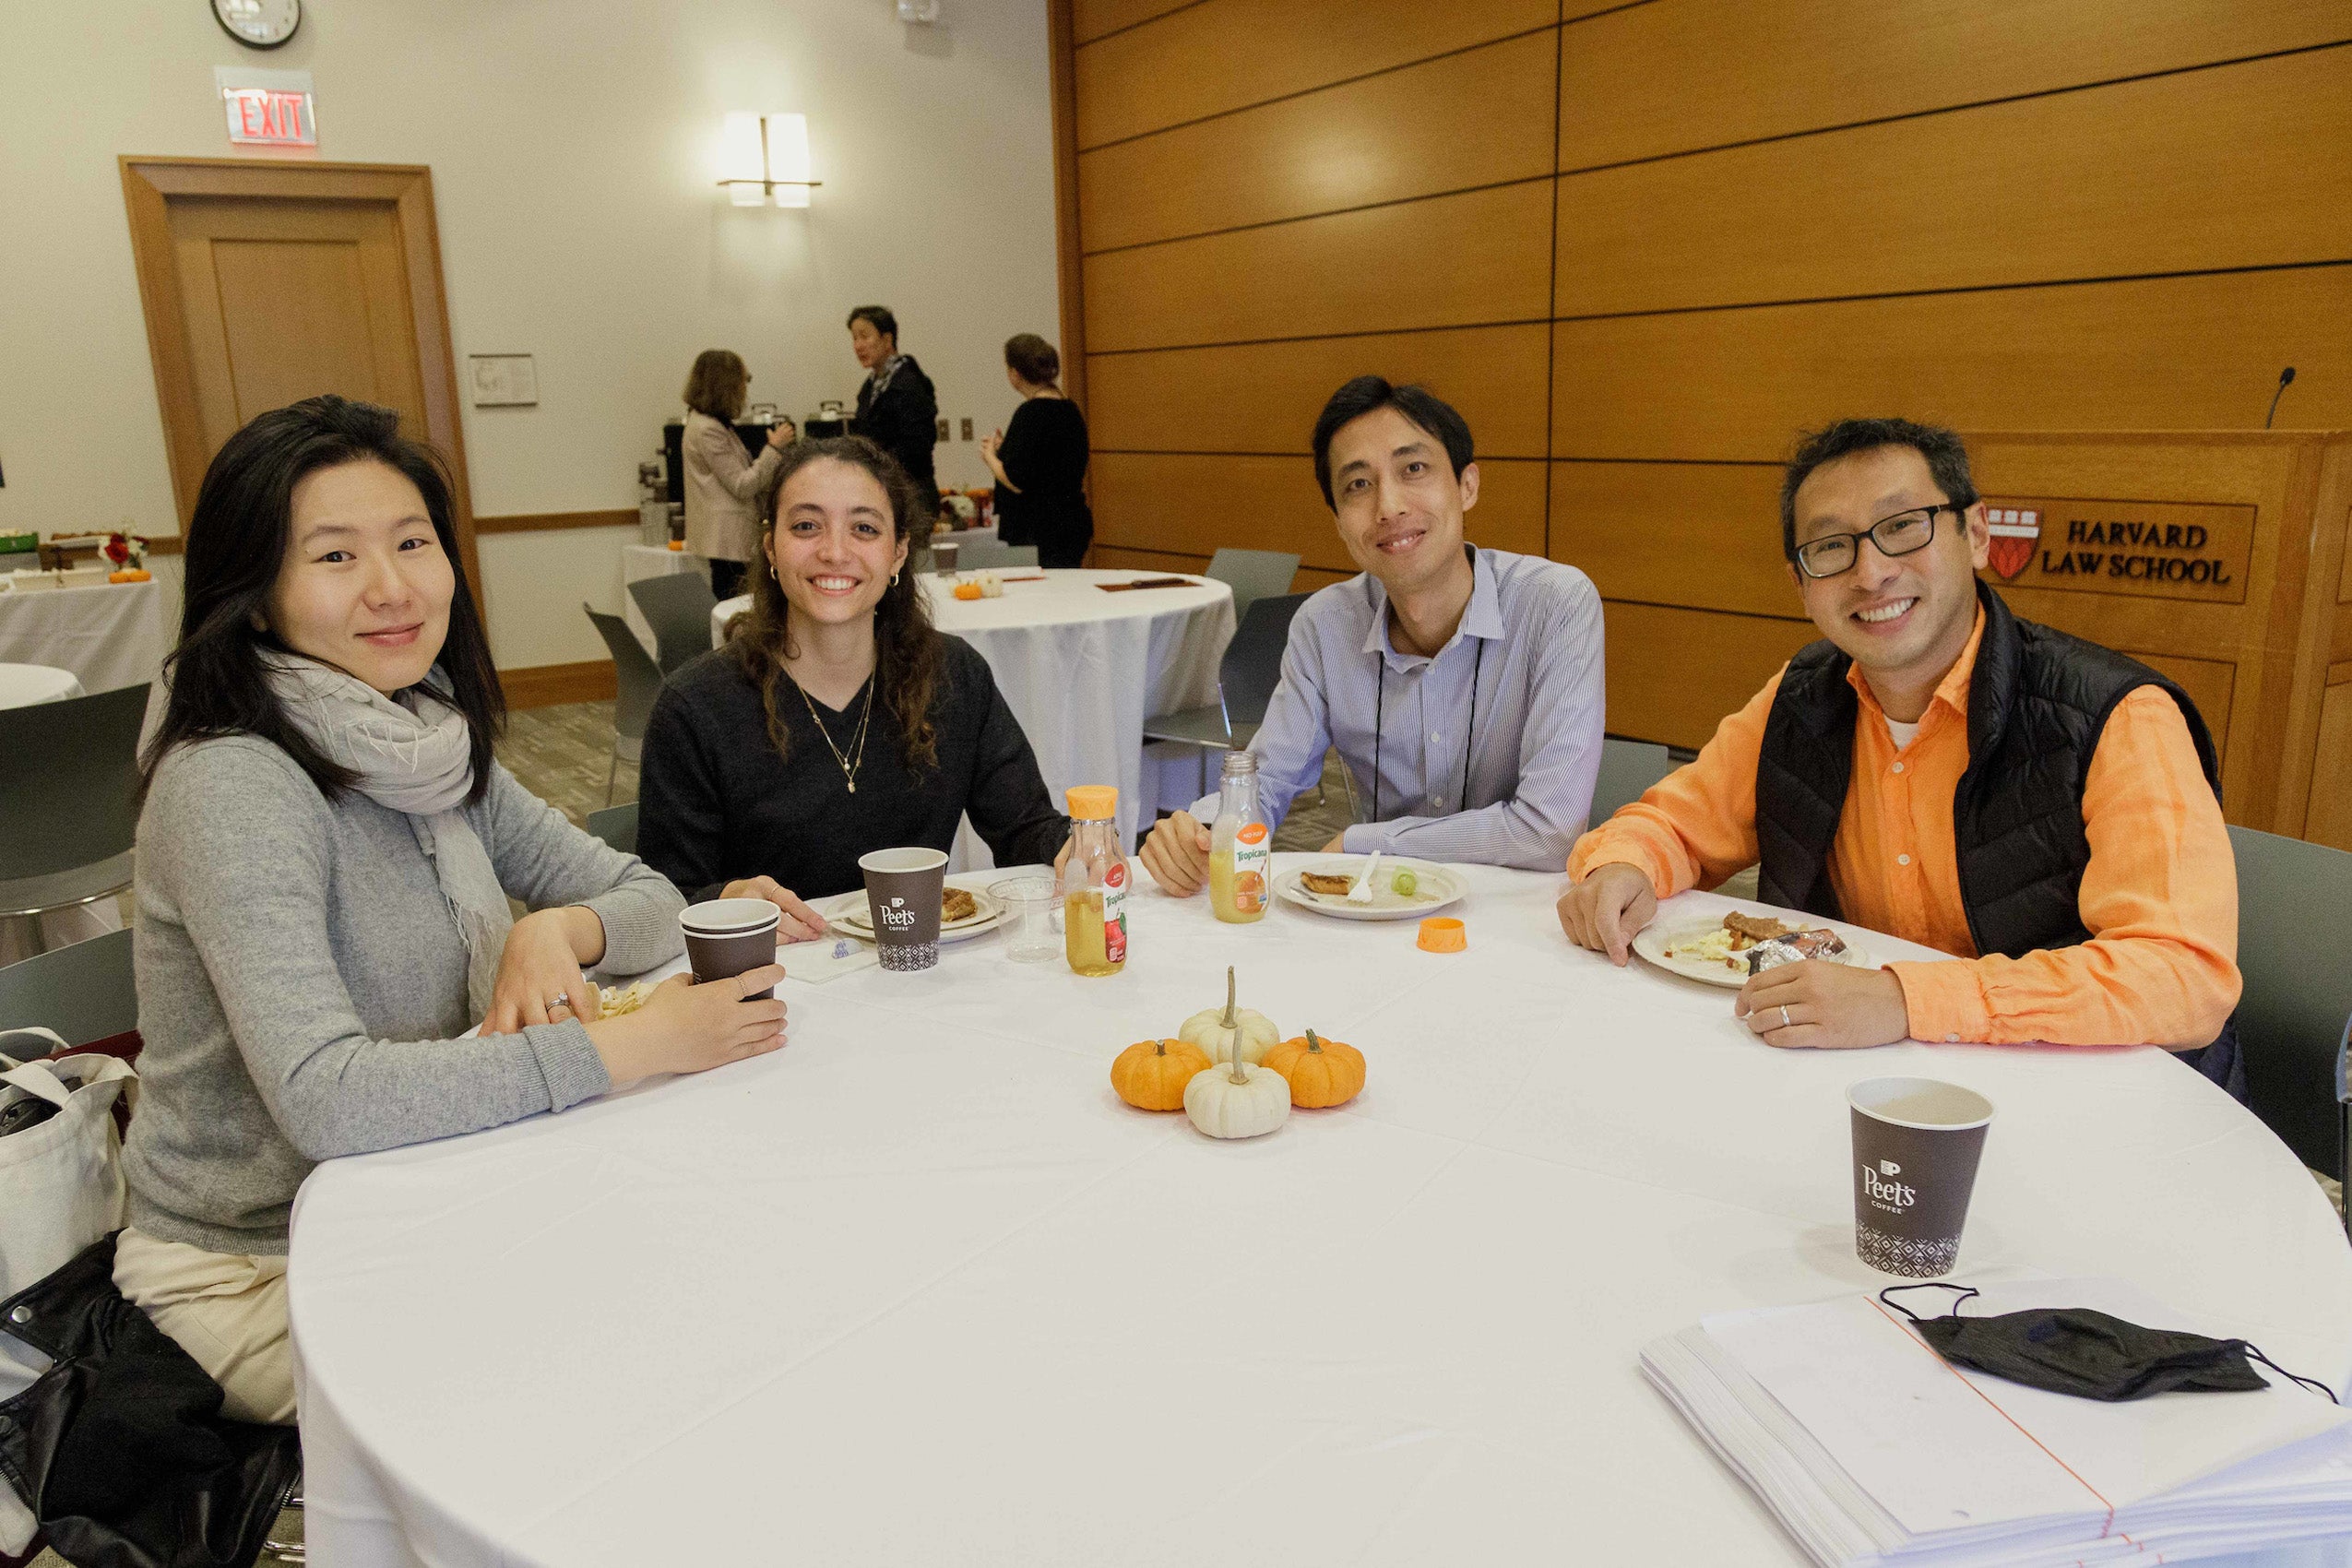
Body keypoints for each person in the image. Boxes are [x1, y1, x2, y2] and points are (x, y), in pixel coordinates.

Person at [119, 396, 789, 1425]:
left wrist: (556, 926)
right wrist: (632, 1045)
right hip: (260, 1263)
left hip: (429, 1185)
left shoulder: (423, 739)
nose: (392, 587)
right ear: (251, 595)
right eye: (334, 556)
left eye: (412, 542)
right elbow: (327, 1098)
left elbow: (650, 894)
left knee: (715, 1254)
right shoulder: (235, 782)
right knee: (609, 1370)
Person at [1557, 417, 2243, 1093]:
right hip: (1861, 1079)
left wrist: (1906, 999)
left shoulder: (2117, 716)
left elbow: (2182, 975)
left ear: (1977, 534)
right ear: (1801, 584)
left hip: (2086, 1096)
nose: (1871, 572)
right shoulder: (1802, 698)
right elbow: (1671, 826)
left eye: (1903, 526)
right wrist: (1623, 866)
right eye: (1831, 546)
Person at [1137, 376, 1605, 893]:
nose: (1389, 507)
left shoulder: (1555, 604)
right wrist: (1202, 833)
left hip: (1518, 909)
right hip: (1380, 908)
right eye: (1358, 485)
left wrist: (1369, 842)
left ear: (1467, 485)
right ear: (1340, 523)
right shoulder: (1324, 625)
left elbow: (1549, 830)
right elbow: (1267, 781)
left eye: (1414, 469)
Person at [636, 435, 1069, 909]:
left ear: (899, 552)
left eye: (864, 528)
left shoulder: (953, 676)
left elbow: (1028, 831)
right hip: (772, 956)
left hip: (919, 951)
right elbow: (664, 901)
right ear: (771, 548)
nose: (835, 552)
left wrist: (1083, 845)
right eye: (806, 526)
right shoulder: (696, 707)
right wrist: (728, 898)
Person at [681, 349, 795, 601]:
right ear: (726, 385)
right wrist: (774, 448)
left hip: (729, 539)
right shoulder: (708, 430)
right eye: (744, 381)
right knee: (733, 605)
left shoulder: (711, 424)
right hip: (728, 540)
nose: (745, 389)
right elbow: (743, 485)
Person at [980, 333, 1091, 568]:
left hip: (1038, 530)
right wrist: (1006, 449)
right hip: (1071, 522)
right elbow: (1049, 461)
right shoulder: (1070, 409)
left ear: (1015, 373)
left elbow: (1016, 480)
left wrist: (990, 456)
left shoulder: (1030, 413)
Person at [848, 305, 940, 526]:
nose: (858, 345)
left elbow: (917, 446)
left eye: (865, 336)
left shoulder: (909, 382)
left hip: (911, 495)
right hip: (881, 491)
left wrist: (875, 465)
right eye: (854, 338)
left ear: (887, 339)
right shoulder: (870, 387)